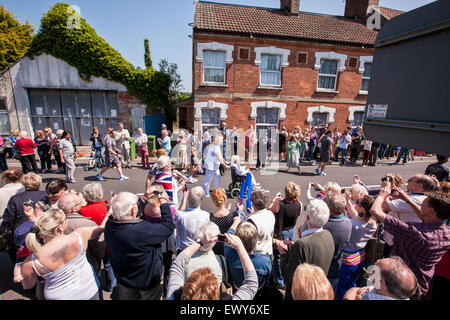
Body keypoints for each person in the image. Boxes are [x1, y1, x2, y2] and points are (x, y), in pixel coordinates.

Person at [369, 184, 450, 298]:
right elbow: (425, 217)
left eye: (423, 204)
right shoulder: (447, 232)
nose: (421, 204)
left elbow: (375, 211)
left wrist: (382, 194)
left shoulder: (415, 233)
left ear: (431, 210)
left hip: (396, 287)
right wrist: (407, 199)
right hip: (420, 285)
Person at [19, 209, 103, 300]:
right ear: (60, 227)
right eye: (65, 219)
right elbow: (101, 228)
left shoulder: (31, 262)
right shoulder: (79, 236)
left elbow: (28, 286)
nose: (67, 220)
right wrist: (109, 214)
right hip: (90, 291)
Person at [104, 191, 174, 300]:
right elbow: (168, 227)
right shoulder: (142, 230)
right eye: (136, 204)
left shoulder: (110, 225)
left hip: (124, 279)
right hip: (147, 281)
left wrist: (142, 200)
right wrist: (164, 203)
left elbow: (129, 214)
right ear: (133, 209)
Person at [166, 231, 258, 300]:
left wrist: (200, 243)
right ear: (215, 293)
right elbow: (251, 284)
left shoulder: (173, 297)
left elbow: (177, 265)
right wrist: (240, 247)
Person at [278, 199, 334, 300]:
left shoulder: (302, 245)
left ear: (307, 218)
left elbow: (289, 277)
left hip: (301, 294)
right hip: (319, 290)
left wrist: (283, 254)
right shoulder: (328, 235)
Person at [382, 174, 438, 256]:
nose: (407, 181)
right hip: (406, 241)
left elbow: (386, 206)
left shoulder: (414, 199)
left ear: (420, 185)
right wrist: (393, 187)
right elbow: (401, 199)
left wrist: (385, 189)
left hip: (397, 244)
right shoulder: (425, 197)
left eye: (410, 180)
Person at [336, 194, 378, 299]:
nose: (355, 203)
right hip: (360, 256)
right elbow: (354, 214)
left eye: (357, 202)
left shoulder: (353, 225)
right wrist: (347, 199)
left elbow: (353, 217)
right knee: (353, 283)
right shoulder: (373, 224)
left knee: (342, 287)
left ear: (362, 209)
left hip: (348, 259)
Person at [58, 192, 106, 276]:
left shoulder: (52, 223)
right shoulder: (88, 224)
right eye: (79, 203)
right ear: (73, 209)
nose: (81, 204)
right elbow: (98, 249)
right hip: (85, 266)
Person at [269, 182, 302, 289]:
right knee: (288, 252)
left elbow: (269, 211)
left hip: (280, 232)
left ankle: (280, 280)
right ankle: (287, 274)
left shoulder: (279, 204)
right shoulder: (299, 204)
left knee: (278, 256)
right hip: (291, 230)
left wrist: (274, 200)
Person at [343, 256, 418, 300]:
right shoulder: (401, 294)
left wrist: (351, 294)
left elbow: (354, 291)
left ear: (382, 283)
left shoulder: (367, 298)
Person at [322, 192, 352, 292]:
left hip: (321, 268)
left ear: (329, 209)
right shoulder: (348, 223)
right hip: (336, 267)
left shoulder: (323, 225)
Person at [174, 186, 210, 253]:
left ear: (188, 198)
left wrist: (184, 199)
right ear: (202, 199)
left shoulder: (180, 215)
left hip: (183, 250)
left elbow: (179, 217)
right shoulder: (206, 215)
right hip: (198, 249)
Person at [209, 188, 238, 256]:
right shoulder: (233, 215)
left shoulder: (211, 217)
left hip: (216, 247)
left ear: (214, 201)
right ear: (225, 199)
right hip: (230, 245)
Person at [247, 191, 275, 256]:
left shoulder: (252, 220)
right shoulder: (270, 214)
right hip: (268, 251)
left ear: (252, 203)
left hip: (257, 254)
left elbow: (249, 241)